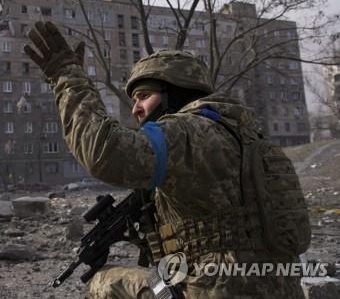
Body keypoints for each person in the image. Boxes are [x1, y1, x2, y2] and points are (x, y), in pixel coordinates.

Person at [24, 21, 307, 299]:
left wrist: (67, 76)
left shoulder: (186, 132)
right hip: (279, 286)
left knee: (103, 282)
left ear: (176, 94)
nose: (135, 109)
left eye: (144, 96)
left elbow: (104, 152)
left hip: (215, 289)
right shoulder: (247, 138)